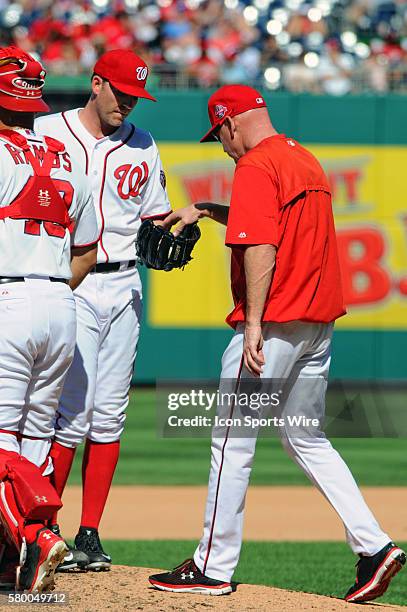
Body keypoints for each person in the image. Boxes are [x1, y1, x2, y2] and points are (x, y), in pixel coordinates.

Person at [148, 84, 405, 603]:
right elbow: (274, 225)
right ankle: (376, 548)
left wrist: (255, 324)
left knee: (231, 442)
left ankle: (211, 567)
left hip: (275, 327)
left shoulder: (255, 167)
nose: (220, 146)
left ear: (231, 123)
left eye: (218, 134)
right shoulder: (302, 159)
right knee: (306, 437)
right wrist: (207, 208)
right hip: (317, 327)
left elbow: (262, 245)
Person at [29, 49, 171, 571]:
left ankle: (89, 533)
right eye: (121, 93)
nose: (129, 104)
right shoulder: (49, 131)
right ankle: (42, 528)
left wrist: (175, 229)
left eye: (137, 96)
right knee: (70, 415)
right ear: (95, 84)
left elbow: (155, 215)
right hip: (70, 282)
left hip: (125, 284)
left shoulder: (144, 145)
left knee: (110, 414)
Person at [0, 46, 98, 592]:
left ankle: (36, 539)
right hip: (61, 304)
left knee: (1, 441)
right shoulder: (68, 159)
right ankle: (17, 558)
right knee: (35, 439)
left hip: (9, 300)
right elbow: (86, 250)